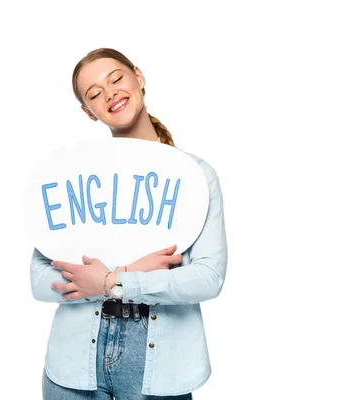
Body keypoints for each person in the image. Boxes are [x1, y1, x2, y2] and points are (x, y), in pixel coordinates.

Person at [30, 48, 228, 400]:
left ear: (138, 76)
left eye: (116, 78)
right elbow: (40, 281)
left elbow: (208, 278)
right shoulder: (73, 176)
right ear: (87, 112)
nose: (109, 94)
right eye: (93, 94)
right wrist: (127, 272)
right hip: (73, 369)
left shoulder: (196, 176)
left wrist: (111, 281)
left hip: (160, 369)